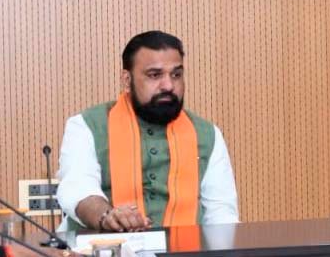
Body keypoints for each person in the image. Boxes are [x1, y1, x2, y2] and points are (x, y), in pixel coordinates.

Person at [56, 31, 238, 232]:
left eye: (176, 75)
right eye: (155, 75)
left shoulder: (207, 135)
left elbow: (221, 215)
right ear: (127, 80)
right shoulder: (86, 126)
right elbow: (78, 189)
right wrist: (107, 216)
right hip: (101, 247)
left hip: (186, 248)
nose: (168, 85)